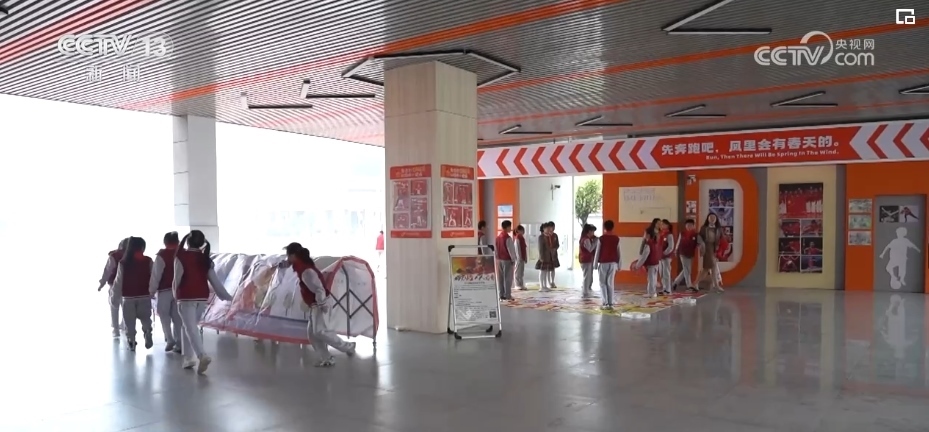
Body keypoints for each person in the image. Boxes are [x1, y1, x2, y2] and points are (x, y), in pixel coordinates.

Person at [279, 242, 356, 366]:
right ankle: (327, 358)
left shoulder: (306, 271)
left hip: (320, 303)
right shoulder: (301, 266)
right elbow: (287, 264)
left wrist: (322, 305)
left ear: (293, 255)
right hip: (316, 304)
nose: (288, 258)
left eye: (288, 255)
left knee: (320, 332)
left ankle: (347, 347)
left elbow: (319, 289)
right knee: (313, 334)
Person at [173, 230, 233, 374]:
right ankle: (188, 358)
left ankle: (202, 356)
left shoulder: (181, 256)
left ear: (188, 241)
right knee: (189, 327)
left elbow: (177, 279)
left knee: (190, 328)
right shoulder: (205, 258)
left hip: (186, 296)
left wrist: (175, 296)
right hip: (202, 297)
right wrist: (226, 296)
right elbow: (214, 280)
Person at [112, 237, 154, 351]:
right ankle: (147, 330)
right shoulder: (148, 261)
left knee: (129, 321)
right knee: (146, 317)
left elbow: (118, 282)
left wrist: (114, 298)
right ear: (142, 247)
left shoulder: (123, 263)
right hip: (144, 295)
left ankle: (131, 340)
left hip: (128, 297)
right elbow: (154, 277)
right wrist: (153, 291)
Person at [149, 231, 183, 353]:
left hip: (164, 291)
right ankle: (180, 343)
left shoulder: (161, 256)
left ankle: (170, 340)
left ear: (165, 242)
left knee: (164, 316)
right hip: (179, 290)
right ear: (178, 241)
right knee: (178, 318)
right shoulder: (182, 254)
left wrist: (152, 290)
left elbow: (156, 275)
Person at [98, 237, 129, 337]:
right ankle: (124, 326)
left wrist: (102, 283)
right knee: (126, 307)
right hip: (129, 286)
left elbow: (107, 271)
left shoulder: (114, 256)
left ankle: (116, 329)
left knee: (114, 307)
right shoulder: (132, 255)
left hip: (114, 285)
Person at [594, 220, 621, 309]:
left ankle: (605, 302)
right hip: (613, 263)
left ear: (604, 228)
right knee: (610, 283)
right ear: (613, 227)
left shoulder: (601, 239)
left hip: (603, 263)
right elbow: (619, 252)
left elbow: (598, 252)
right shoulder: (616, 238)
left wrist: (595, 264)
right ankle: (611, 301)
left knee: (603, 283)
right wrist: (619, 264)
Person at [697, 213, 723, 293]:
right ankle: (696, 283)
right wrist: (702, 244)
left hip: (714, 248)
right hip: (707, 248)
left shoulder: (718, 229)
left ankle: (715, 285)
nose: (712, 219)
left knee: (711, 268)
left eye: (713, 217)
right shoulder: (704, 228)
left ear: (716, 219)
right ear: (707, 219)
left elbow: (722, 238)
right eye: (710, 217)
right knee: (708, 268)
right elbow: (699, 237)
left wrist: (719, 248)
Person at [633, 226, 662, 299]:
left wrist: (637, 265)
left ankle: (651, 293)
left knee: (651, 279)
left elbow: (644, 256)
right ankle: (653, 292)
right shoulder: (655, 242)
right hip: (656, 263)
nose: (644, 235)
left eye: (644, 234)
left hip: (651, 264)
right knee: (654, 278)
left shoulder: (648, 244)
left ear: (648, 235)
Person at [494, 221, 519, 300]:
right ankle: (507, 295)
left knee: (500, 278)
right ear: (507, 227)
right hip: (507, 260)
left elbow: (496, 250)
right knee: (507, 278)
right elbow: (511, 250)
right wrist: (513, 259)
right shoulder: (508, 238)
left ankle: (501, 294)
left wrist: (497, 258)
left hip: (499, 260)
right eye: (510, 227)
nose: (510, 229)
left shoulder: (498, 238)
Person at [673, 219, 698, 292]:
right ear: (685, 226)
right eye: (687, 225)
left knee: (686, 269)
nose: (689, 227)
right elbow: (678, 242)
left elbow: (698, 243)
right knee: (687, 269)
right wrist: (676, 250)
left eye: (691, 225)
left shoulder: (696, 234)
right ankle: (689, 285)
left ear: (693, 226)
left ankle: (675, 282)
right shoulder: (682, 233)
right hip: (683, 253)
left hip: (691, 254)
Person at [578, 224, 598, 298]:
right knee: (587, 276)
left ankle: (587, 290)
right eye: (593, 231)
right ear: (589, 231)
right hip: (586, 259)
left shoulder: (587, 238)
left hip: (587, 259)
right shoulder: (586, 239)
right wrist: (595, 242)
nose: (593, 233)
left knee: (588, 275)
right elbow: (590, 249)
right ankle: (585, 291)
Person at [537, 222, 558, 292]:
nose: (549, 229)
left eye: (549, 228)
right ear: (544, 229)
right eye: (547, 228)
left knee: (545, 271)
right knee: (542, 271)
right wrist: (541, 257)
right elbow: (540, 248)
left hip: (548, 257)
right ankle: (541, 286)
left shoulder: (548, 236)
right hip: (543, 257)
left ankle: (545, 285)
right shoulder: (541, 237)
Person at [659, 219, 675, 295]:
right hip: (660, 257)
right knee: (661, 273)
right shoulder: (660, 234)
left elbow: (671, 247)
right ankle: (664, 287)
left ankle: (668, 289)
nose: (662, 226)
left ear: (667, 225)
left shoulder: (669, 235)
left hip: (667, 257)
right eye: (661, 224)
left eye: (663, 224)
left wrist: (664, 253)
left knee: (666, 273)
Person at [513, 225, 528, 290]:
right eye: (522, 230)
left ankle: (521, 284)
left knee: (521, 272)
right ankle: (517, 284)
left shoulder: (522, 238)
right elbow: (517, 249)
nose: (523, 231)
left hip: (522, 258)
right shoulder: (517, 238)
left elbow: (524, 248)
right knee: (517, 272)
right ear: (518, 231)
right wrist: (519, 257)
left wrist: (525, 257)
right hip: (519, 258)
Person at [547, 221, 560, 288]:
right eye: (552, 227)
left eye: (554, 227)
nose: (553, 228)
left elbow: (557, 244)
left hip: (554, 254)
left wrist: (555, 249)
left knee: (553, 269)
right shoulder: (546, 235)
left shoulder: (555, 235)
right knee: (548, 269)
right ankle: (548, 282)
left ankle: (552, 282)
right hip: (547, 255)